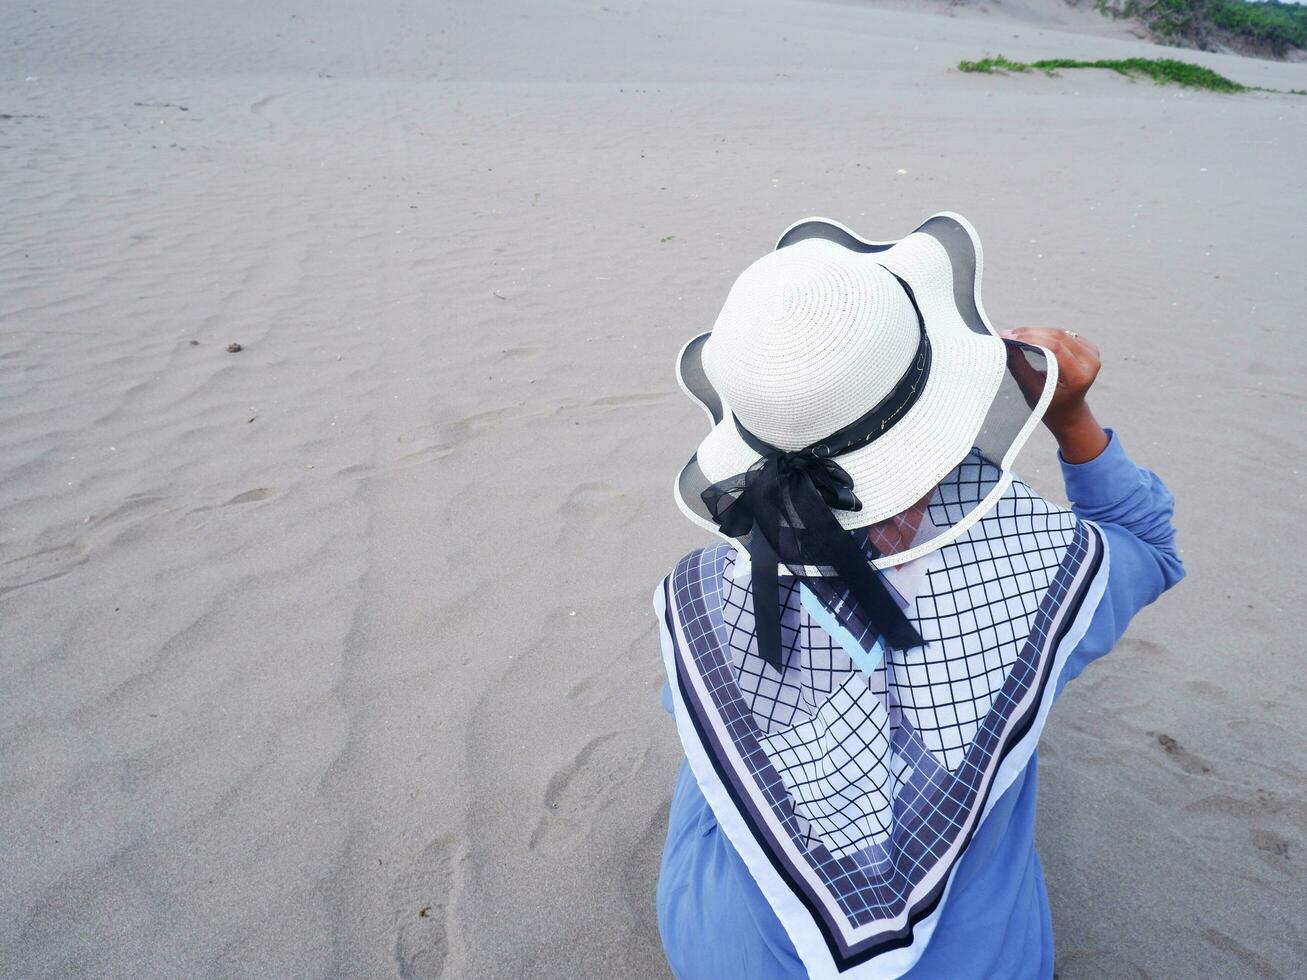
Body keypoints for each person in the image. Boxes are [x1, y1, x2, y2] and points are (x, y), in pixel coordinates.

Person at [653, 215, 1184, 979]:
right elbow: (1148, 542)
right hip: (986, 966)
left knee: (714, 712)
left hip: (722, 957)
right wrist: (1069, 415)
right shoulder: (1043, 565)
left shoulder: (698, 592)